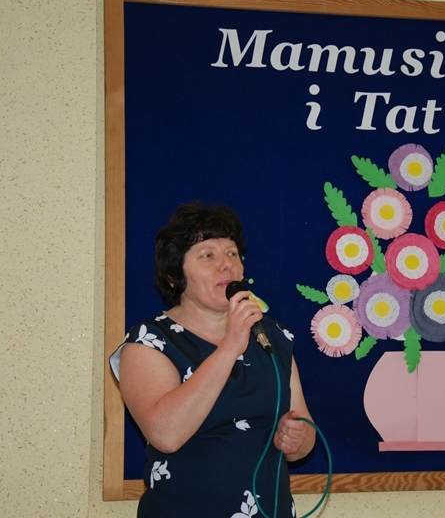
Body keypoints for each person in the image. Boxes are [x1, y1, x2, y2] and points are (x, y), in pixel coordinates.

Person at [110, 202, 315, 517]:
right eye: (208, 256)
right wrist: (230, 346)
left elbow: (304, 435)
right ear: (174, 276)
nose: (226, 265)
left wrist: (297, 439)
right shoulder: (148, 342)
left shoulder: (272, 335)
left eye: (232, 253)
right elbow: (165, 434)